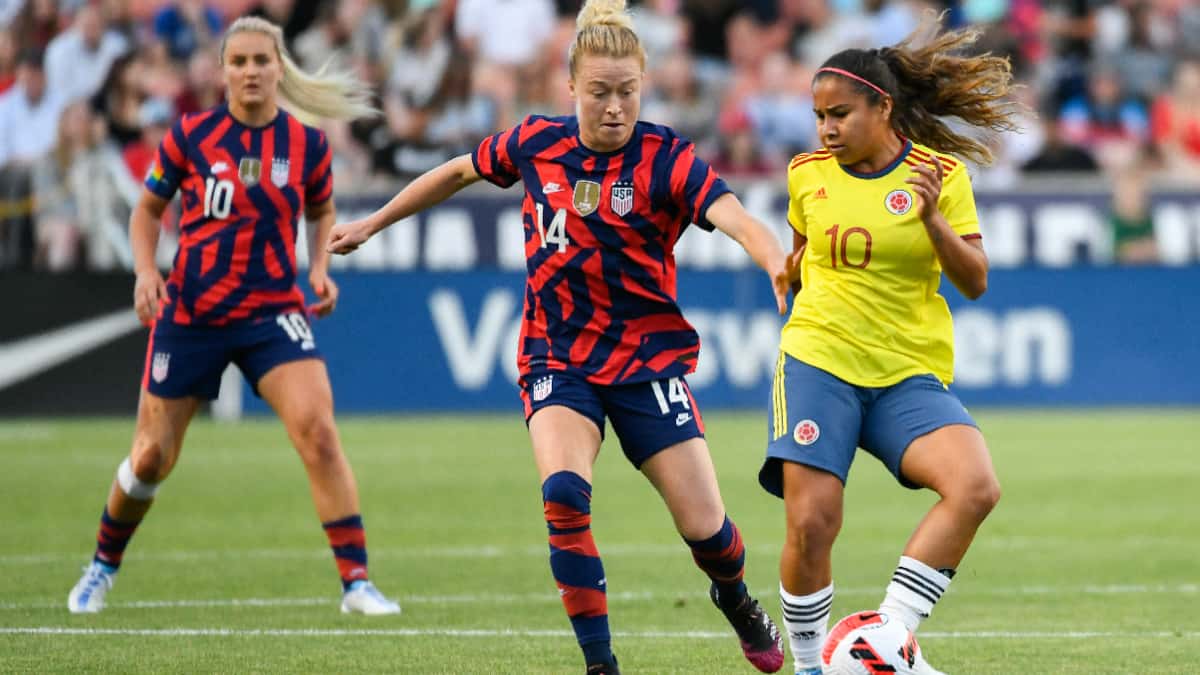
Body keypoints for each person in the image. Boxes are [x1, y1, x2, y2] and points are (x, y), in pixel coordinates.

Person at [328, 2, 790, 672]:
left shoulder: (667, 158)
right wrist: (373, 222)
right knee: (565, 497)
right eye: (599, 92)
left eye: (627, 92)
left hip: (645, 361)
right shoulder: (535, 142)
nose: (614, 107)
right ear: (569, 87)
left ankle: (737, 596)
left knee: (708, 532)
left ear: (645, 86)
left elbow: (738, 216)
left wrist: (774, 258)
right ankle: (600, 666)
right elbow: (457, 171)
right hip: (558, 356)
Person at [67, 16, 400, 617]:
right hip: (191, 313)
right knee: (150, 457)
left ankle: (356, 582)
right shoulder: (190, 137)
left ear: (279, 68)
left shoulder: (306, 145)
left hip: (272, 311)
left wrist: (319, 267)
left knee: (319, 434)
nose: (250, 71)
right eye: (239, 61)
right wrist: (147, 271)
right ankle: (101, 566)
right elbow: (146, 214)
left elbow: (321, 212)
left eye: (260, 61)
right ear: (221, 70)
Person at [759, 18, 1017, 675]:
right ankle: (817, 667)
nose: (826, 129)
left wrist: (932, 219)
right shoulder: (806, 175)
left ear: (883, 107)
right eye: (818, 117)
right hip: (821, 359)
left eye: (840, 114)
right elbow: (801, 246)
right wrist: (790, 268)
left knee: (975, 486)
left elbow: (975, 280)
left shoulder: (941, 177)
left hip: (906, 372)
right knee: (813, 522)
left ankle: (885, 635)